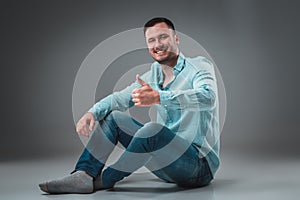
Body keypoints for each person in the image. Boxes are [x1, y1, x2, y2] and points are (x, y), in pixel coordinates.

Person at [39, 17, 220, 194]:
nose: (158, 44)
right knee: (114, 118)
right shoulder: (153, 75)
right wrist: (92, 113)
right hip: (166, 167)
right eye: (151, 40)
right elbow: (119, 99)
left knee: (152, 130)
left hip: (198, 166)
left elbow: (208, 97)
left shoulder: (199, 65)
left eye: (163, 37)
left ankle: (103, 181)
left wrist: (159, 97)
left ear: (176, 38)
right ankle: (83, 175)